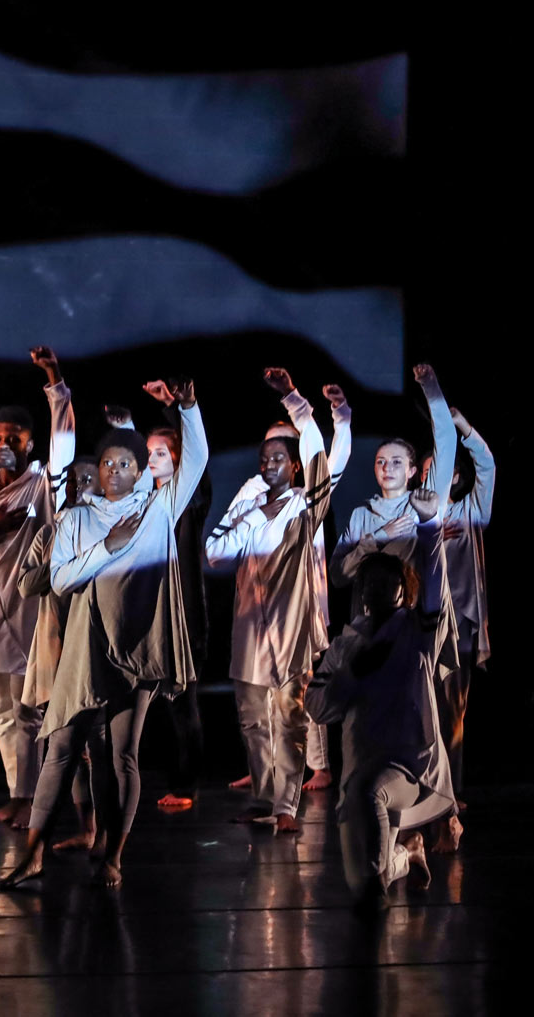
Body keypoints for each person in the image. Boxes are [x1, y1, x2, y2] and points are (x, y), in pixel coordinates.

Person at [0, 378, 207, 891]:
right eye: (108, 463)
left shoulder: (159, 509)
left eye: (126, 464)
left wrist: (189, 409)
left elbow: (196, 461)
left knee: (122, 754)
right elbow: (63, 579)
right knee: (61, 747)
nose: (114, 471)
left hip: (136, 647)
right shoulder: (76, 518)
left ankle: (113, 853)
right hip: (86, 649)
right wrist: (109, 546)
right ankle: (33, 854)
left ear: (142, 472)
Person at [206, 369, 345, 833]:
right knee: (252, 720)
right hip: (249, 627)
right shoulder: (249, 497)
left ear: (297, 465)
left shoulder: (308, 504)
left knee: (289, 719)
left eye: (279, 458)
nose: (268, 465)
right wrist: (250, 519)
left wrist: (293, 398)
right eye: (264, 457)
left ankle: (286, 806)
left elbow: (324, 456)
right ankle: (264, 799)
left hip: (290, 630)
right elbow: (215, 552)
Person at [332, 363, 461, 850]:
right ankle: (389, 827)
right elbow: (340, 571)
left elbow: (444, 442)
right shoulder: (363, 515)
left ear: (413, 470)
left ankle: (437, 814)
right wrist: (375, 540)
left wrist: (431, 388)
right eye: (381, 461)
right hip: (370, 633)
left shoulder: (426, 504)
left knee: (421, 724)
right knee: (367, 729)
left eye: (397, 462)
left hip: (415, 632)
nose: (387, 467)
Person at [306, 486, 452, 904]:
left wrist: (428, 527)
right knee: (369, 877)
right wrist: (351, 674)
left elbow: (436, 588)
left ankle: (387, 874)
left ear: (402, 591)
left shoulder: (416, 632)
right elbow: (317, 706)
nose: (373, 590)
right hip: (360, 769)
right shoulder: (346, 644)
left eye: (385, 584)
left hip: (407, 766)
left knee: (370, 885)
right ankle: (405, 855)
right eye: (368, 583)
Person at [0, 346, 74, 829]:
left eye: (14, 437)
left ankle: (42, 802)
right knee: (3, 715)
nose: (4, 442)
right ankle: (17, 795)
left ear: (30, 445)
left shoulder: (43, 485)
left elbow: (65, 442)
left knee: (33, 714)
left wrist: (55, 384)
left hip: (30, 619)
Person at [100, 389, 213, 812]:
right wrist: (125, 430)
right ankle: (120, 784)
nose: (151, 459)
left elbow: (199, 467)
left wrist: (177, 407)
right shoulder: (140, 501)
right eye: (148, 452)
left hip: (182, 618)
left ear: (178, 459)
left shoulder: (190, 502)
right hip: (140, 616)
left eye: (161, 453)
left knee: (183, 704)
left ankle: (186, 784)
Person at [18, 454, 106, 852]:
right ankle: (84, 829)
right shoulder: (49, 534)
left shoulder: (108, 532)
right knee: (64, 746)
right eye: (71, 480)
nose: (76, 487)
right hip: (57, 652)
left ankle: (103, 832)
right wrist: (59, 559)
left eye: (86, 479)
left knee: (99, 747)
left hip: (96, 653)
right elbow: (25, 584)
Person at [424, 405, 495, 804]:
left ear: (454, 476)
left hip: (460, 626)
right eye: (428, 468)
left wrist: (463, 427)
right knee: (419, 710)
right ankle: (421, 788)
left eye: (442, 468)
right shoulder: (411, 515)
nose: (433, 475)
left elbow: (487, 465)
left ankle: (448, 791)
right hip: (420, 625)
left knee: (452, 710)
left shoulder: (470, 512)